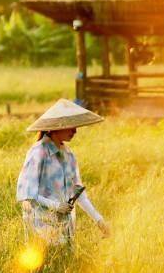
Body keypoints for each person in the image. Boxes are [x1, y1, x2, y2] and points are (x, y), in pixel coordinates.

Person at [16, 99, 112, 247]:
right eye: (70, 126)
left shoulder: (69, 154)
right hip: (41, 225)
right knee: (46, 264)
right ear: (55, 127)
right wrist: (56, 206)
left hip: (65, 225)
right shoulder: (38, 152)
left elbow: (78, 192)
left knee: (67, 264)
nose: (75, 131)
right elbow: (28, 194)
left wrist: (98, 219)